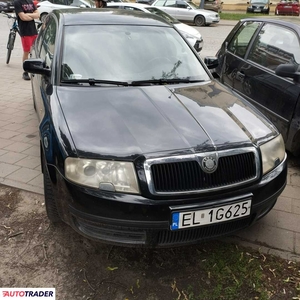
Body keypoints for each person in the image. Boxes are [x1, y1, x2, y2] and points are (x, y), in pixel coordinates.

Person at [14, 0, 40, 80]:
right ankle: (25, 71)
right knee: (27, 51)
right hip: (25, 31)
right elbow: (23, 17)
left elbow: (38, 15)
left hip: (33, 30)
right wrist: (32, 15)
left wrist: (28, 14)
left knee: (35, 50)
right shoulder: (17, 2)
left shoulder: (30, 2)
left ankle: (35, 67)